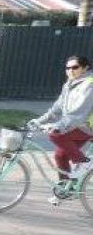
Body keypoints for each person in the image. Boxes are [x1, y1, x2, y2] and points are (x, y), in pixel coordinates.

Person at [29, 55, 93, 183]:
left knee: (55, 135)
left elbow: (78, 114)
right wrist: (39, 121)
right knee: (60, 155)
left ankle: (85, 163)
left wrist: (58, 126)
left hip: (87, 126)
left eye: (75, 67)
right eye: (67, 68)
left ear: (85, 68)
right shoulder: (69, 84)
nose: (70, 70)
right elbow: (56, 109)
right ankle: (65, 188)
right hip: (76, 126)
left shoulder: (89, 85)